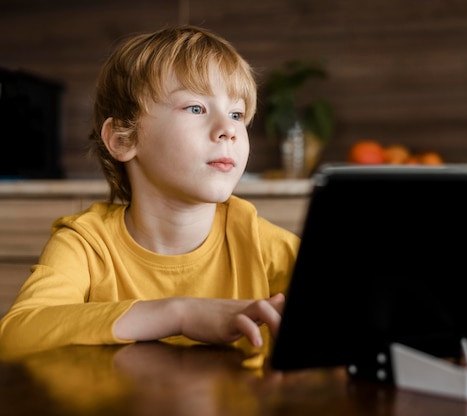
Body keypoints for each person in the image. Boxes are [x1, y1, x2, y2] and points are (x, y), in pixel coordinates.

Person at [0, 25, 300, 363]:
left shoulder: (264, 245)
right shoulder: (86, 244)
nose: (229, 130)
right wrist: (179, 314)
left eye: (236, 114)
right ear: (123, 139)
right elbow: (16, 334)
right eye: (196, 108)